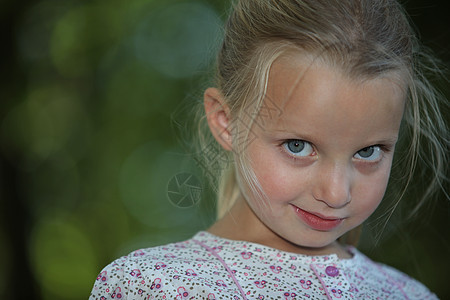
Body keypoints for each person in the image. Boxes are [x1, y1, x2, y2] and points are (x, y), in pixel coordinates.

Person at [90, 0, 448, 299]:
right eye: (298, 146)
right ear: (225, 122)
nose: (337, 193)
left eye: (368, 152)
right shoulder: (152, 286)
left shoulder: (408, 295)